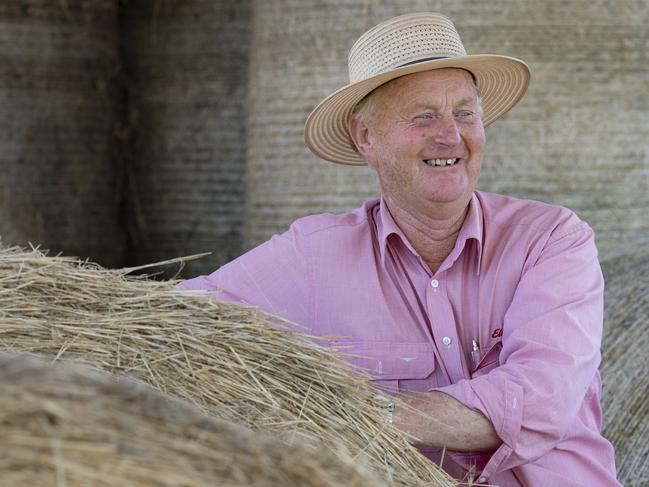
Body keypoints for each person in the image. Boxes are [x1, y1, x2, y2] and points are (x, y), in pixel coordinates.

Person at [179, 12, 620, 486]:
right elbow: (171, 322)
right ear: (365, 137)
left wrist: (345, 414)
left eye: (465, 113)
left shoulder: (552, 239)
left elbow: (540, 401)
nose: (450, 135)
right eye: (423, 116)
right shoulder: (313, 256)